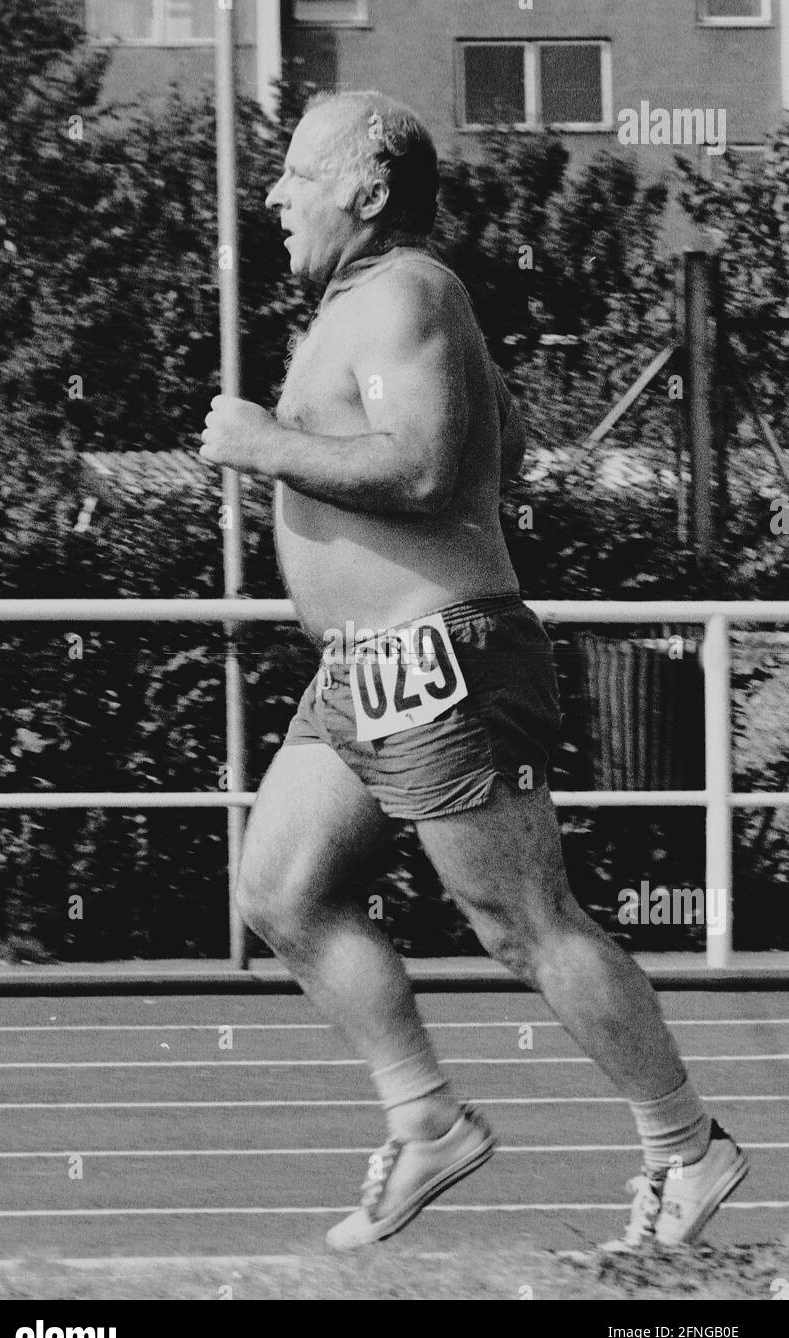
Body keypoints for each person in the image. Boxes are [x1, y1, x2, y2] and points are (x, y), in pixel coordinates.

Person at [199, 90, 748, 1253]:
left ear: (365, 186)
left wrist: (261, 445)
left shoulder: (404, 287)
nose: (273, 197)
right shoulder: (369, 304)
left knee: (522, 921)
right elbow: (489, 432)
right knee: (283, 891)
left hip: (431, 654)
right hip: (359, 671)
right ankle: (427, 1118)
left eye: (294, 174)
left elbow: (426, 473)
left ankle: (683, 1146)